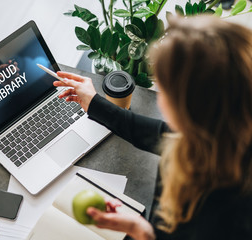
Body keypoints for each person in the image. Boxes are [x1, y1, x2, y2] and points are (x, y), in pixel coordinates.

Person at [53, 15, 252, 240]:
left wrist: (143, 234)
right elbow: (159, 134)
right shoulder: (225, 132)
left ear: (189, 108)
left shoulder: (216, 220)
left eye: (164, 87)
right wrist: (94, 103)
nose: (159, 99)